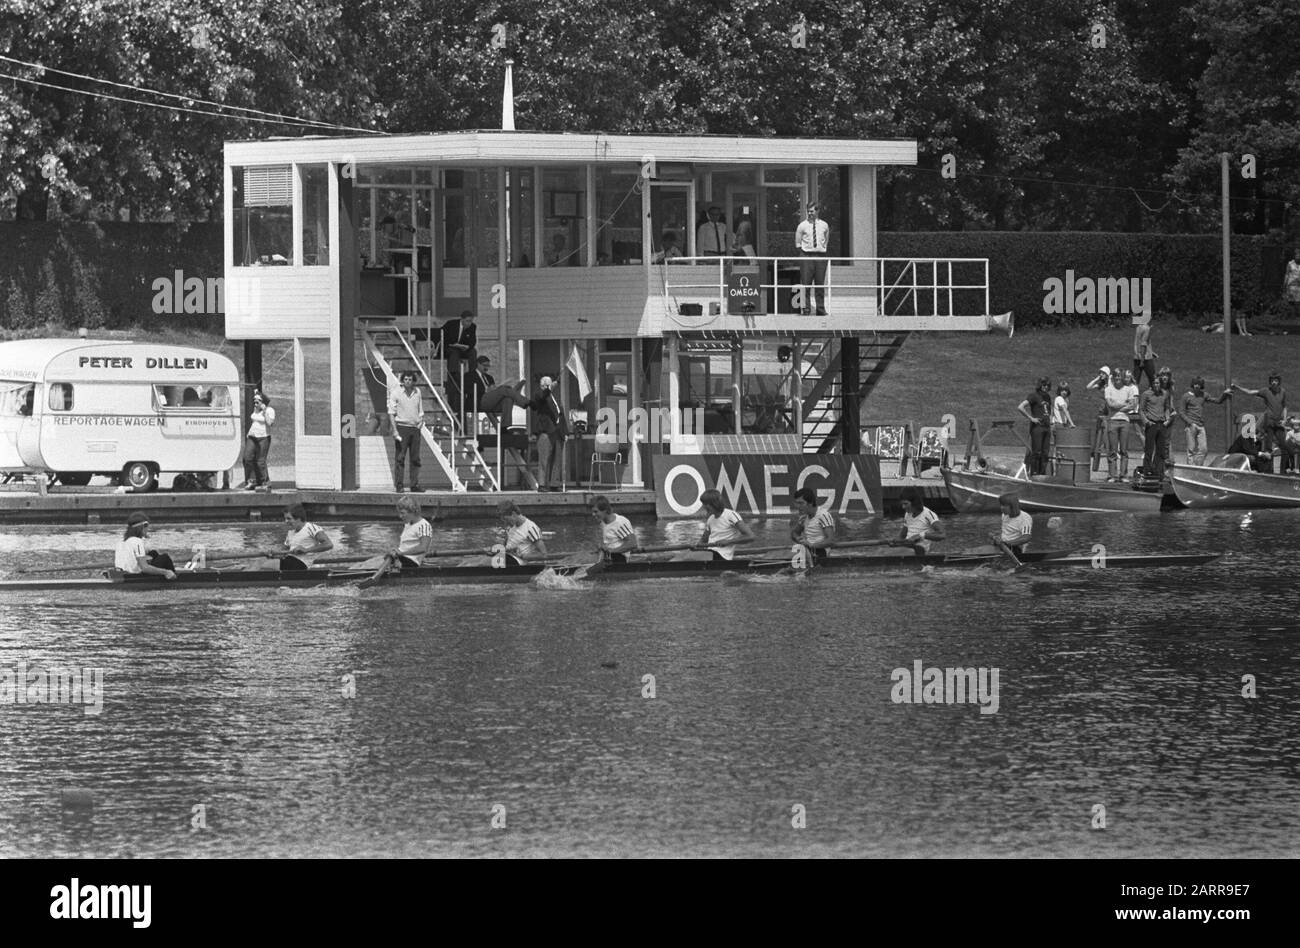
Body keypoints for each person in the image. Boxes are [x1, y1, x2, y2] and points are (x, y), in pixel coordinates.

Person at [1232, 372, 1290, 473]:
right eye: (1272, 381)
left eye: (1275, 381)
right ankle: (1267, 472)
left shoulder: (1283, 392)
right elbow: (1250, 392)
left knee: (1284, 446)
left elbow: (1284, 406)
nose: (1273, 383)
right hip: (1269, 423)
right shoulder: (1266, 391)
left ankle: (1284, 470)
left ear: (1279, 382)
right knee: (1268, 448)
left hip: (1279, 423)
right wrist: (1237, 387)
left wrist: (1284, 419)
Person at [1178, 376, 1230, 467]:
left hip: (1201, 426)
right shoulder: (1186, 396)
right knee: (1191, 450)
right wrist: (1190, 423)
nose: (1197, 386)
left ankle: (1198, 467)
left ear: (1201, 385)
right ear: (1192, 385)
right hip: (1191, 426)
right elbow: (1181, 412)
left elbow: (1217, 401)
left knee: (1204, 449)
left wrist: (1224, 394)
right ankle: (1191, 468)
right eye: (1195, 384)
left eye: (1199, 384)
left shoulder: (1204, 395)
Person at [695, 488, 756, 561]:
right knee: (686, 555)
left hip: (722, 556)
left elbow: (751, 536)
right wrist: (696, 547)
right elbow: (703, 540)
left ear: (714, 504)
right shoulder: (710, 519)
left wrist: (728, 542)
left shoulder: (731, 515)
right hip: (710, 554)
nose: (703, 507)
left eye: (705, 504)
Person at [388, 370, 424, 492]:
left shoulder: (417, 392)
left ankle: (414, 484)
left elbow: (420, 409)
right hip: (402, 427)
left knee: (415, 458)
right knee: (400, 457)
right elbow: (391, 413)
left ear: (413, 381)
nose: (408, 382)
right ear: (402, 381)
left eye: (410, 379)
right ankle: (399, 485)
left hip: (415, 428)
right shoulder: (396, 393)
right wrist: (395, 430)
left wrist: (420, 422)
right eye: (406, 379)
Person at [1102, 368, 1139, 482]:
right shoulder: (1108, 389)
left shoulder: (1129, 389)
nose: (1118, 378)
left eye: (1119, 376)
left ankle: (1123, 475)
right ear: (1112, 377)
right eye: (1116, 376)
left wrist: (1117, 406)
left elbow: (1132, 405)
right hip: (1112, 420)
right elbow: (1109, 404)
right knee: (1113, 450)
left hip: (1125, 421)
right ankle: (1112, 475)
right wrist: (1123, 404)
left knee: (1124, 450)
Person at [531, 375, 567, 491]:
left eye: (550, 384)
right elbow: (542, 396)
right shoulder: (539, 396)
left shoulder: (554, 398)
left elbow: (560, 415)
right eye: (547, 385)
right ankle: (542, 484)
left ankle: (554, 484)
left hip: (557, 432)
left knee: (557, 459)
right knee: (544, 459)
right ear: (542, 386)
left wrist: (565, 432)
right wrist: (550, 388)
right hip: (546, 432)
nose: (550, 387)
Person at [114, 511, 176, 578]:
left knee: (153, 553)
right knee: (165, 558)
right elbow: (144, 568)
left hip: (121, 573)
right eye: (147, 526)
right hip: (134, 576)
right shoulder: (137, 541)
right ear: (142, 527)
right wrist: (166, 572)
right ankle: (173, 576)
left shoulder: (121, 542)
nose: (148, 529)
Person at [1139, 367, 1175, 480]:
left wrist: (1167, 421)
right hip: (1151, 424)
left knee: (1161, 451)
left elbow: (1167, 408)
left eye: (1158, 383)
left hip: (1162, 424)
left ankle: (1158, 472)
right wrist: (1146, 422)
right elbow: (1141, 409)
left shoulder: (1164, 394)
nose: (1156, 385)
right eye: (1154, 383)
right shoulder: (1146, 394)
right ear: (1152, 384)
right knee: (1149, 449)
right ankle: (1147, 471)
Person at [273, 502, 334, 571]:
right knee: (267, 562)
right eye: (285, 519)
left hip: (301, 564)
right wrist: (275, 554)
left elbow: (329, 544)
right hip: (289, 562)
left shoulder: (311, 527)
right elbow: (285, 550)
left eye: (289, 518)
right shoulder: (290, 532)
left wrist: (306, 550)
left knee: (270, 565)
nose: (286, 521)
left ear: (298, 518)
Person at [794, 202, 829, 315]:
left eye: (812, 211)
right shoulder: (802, 225)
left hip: (820, 257)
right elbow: (798, 243)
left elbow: (826, 240)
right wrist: (805, 254)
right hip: (806, 256)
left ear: (817, 211)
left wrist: (820, 250)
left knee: (820, 284)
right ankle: (806, 308)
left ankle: (820, 309)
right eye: (808, 211)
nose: (810, 213)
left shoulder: (824, 225)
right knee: (805, 284)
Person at [439, 310, 477, 407]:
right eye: (467, 321)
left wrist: (466, 346)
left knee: (473, 352)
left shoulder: (472, 327)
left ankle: (473, 373)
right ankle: (454, 373)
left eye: (470, 321)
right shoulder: (451, 324)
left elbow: (472, 342)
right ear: (462, 319)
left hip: (462, 349)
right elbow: (442, 336)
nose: (469, 323)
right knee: (454, 352)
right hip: (450, 348)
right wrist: (453, 344)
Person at [790, 485, 837, 563]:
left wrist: (811, 544)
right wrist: (798, 538)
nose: (798, 506)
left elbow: (831, 541)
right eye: (796, 503)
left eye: (801, 503)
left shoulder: (823, 515)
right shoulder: (804, 517)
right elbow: (794, 534)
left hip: (821, 552)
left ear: (810, 503)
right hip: (808, 550)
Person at [891, 488, 946, 555]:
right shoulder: (907, 514)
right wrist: (895, 542)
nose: (903, 507)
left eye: (906, 504)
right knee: (882, 551)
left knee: (891, 553)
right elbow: (902, 537)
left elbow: (942, 535)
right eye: (902, 504)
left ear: (914, 502)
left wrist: (921, 535)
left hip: (920, 550)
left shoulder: (928, 514)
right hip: (908, 546)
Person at [240, 390, 275, 490]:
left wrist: (264, 411)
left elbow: (270, 423)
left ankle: (265, 482)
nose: (255, 403)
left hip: (264, 437)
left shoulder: (269, 410)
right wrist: (249, 433)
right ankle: (251, 480)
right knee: (247, 458)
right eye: (254, 401)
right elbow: (255, 421)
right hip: (252, 436)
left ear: (263, 402)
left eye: (258, 401)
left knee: (260, 461)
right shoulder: (255, 409)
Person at [1017, 377, 1053, 476]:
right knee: (1037, 451)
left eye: (1048, 386)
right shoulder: (1033, 396)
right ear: (1040, 385)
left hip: (1047, 427)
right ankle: (1034, 474)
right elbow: (1020, 407)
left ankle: (1042, 474)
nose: (1046, 387)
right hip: (1038, 427)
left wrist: (1051, 421)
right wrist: (1031, 418)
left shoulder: (1048, 397)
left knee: (1045, 452)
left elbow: (1050, 411)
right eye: (1044, 385)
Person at [388, 495, 433, 567]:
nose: (400, 516)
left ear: (412, 511)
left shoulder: (424, 525)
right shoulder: (408, 524)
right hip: (402, 558)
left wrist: (401, 553)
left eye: (402, 513)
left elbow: (423, 548)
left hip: (411, 562)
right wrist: (397, 551)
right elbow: (405, 546)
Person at [590, 495, 637, 562]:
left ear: (605, 510)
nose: (593, 514)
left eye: (595, 512)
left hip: (620, 560)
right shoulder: (603, 523)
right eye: (592, 512)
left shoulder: (620, 522)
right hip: (609, 558)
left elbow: (633, 544)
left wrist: (611, 551)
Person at [1133, 314, 1157, 391]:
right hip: (1145, 358)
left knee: (1135, 380)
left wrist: (1151, 352)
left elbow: (1139, 343)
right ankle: (1154, 396)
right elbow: (1143, 344)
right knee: (1153, 379)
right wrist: (1142, 360)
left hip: (1137, 356)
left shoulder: (1138, 327)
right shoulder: (1146, 328)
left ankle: (1133, 395)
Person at [1284, 248, 1300, 315]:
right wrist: (1285, 283)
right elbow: (1287, 274)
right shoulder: (1290, 263)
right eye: (1297, 255)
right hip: (1291, 285)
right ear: (1294, 256)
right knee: (1291, 301)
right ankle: (1290, 315)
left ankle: (1297, 315)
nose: (1298, 256)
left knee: (1298, 302)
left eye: (1299, 255)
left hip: (1299, 285)